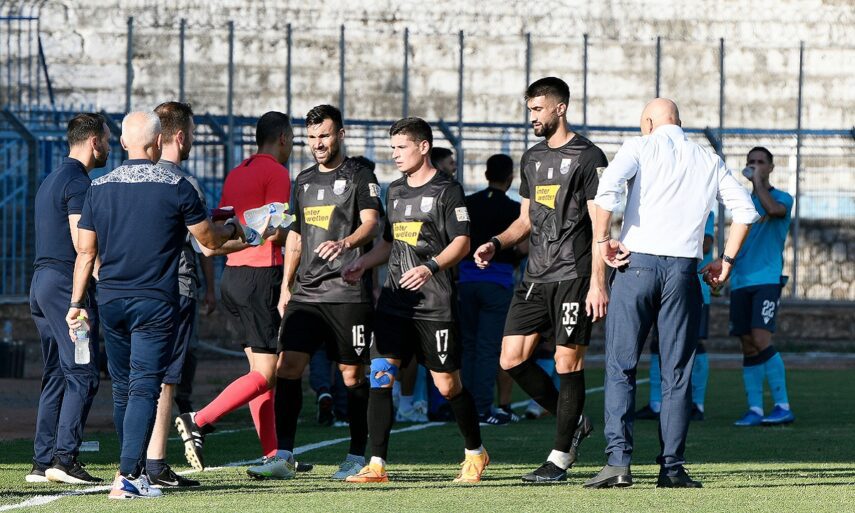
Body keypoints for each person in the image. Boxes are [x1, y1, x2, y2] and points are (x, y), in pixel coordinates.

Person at [66, 111, 243, 499]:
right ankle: (130, 474)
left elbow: (86, 252)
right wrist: (235, 229)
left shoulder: (99, 187)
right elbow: (209, 241)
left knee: (123, 389)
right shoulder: (176, 185)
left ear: (124, 143)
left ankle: (131, 470)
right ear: (158, 142)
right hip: (155, 301)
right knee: (146, 386)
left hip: (111, 300)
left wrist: (76, 302)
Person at [587, 98, 758, 489]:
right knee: (677, 373)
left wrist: (603, 240)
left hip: (636, 266)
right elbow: (746, 211)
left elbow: (606, 191)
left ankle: (618, 463)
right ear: (678, 121)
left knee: (621, 366)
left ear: (649, 122)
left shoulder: (639, 146)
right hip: (683, 272)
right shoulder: (708, 158)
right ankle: (672, 468)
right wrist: (726, 261)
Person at [473, 77, 608, 483]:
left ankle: (560, 457)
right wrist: (496, 243)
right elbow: (525, 220)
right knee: (511, 358)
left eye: (537, 109)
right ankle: (576, 420)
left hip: (573, 273)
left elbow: (601, 224)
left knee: (567, 361)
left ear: (559, 108)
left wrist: (598, 281)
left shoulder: (589, 156)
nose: (531, 116)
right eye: (529, 109)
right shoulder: (531, 158)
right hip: (535, 274)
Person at [341, 117, 488, 484]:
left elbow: (462, 242)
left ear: (423, 147)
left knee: (447, 385)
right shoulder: (393, 190)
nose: (395, 154)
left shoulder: (448, 190)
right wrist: (362, 262)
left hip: (434, 303)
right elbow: (389, 243)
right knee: (380, 374)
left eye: (401, 147)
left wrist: (430, 267)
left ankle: (476, 452)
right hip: (395, 301)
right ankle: (377, 464)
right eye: (392, 148)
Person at [247, 104, 381, 481]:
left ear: (340, 134)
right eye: (311, 137)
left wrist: (346, 243)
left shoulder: (360, 176)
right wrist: (286, 286)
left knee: (352, 376)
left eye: (324, 135)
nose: (317, 143)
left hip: (347, 293)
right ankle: (284, 455)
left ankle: (356, 456)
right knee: (287, 367)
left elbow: (371, 224)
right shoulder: (303, 180)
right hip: (307, 293)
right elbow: (295, 235)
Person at [175, 112, 292, 473]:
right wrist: (300, 234)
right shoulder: (277, 172)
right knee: (267, 372)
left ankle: (273, 455)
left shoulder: (237, 172)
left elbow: (224, 223)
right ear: (283, 138)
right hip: (262, 274)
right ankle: (199, 419)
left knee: (259, 371)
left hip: (234, 277)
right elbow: (275, 229)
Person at [27, 113, 111, 485]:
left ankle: (42, 461)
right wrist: (106, 281)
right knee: (82, 371)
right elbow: (83, 245)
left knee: (57, 373)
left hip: (41, 284)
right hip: (64, 287)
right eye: (107, 139)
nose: (109, 146)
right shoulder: (78, 182)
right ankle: (64, 459)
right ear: (94, 142)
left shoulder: (51, 179)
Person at [141, 101, 214, 488]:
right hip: (176, 287)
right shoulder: (184, 184)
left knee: (139, 375)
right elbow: (207, 244)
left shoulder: (128, 179)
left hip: (134, 287)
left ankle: (135, 459)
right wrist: (245, 234)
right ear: (180, 136)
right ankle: (155, 462)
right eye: (193, 134)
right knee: (168, 376)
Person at [730, 147, 796, 427]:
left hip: (766, 280)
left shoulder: (783, 198)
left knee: (760, 338)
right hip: (740, 281)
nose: (755, 165)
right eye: (751, 162)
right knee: (747, 345)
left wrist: (757, 182)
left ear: (771, 167)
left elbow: (773, 210)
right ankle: (755, 409)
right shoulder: (743, 202)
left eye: (761, 162)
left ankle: (783, 405)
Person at [458, 153, 524, 426]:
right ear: (510, 177)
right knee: (488, 348)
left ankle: (463, 406)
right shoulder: (513, 208)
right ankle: (482, 408)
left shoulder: (469, 203)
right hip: (497, 282)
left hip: (465, 280)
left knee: (468, 346)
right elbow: (523, 247)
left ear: (486, 175)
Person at [637, 212, 715, 422]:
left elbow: (706, 245)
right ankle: (656, 404)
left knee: (694, 343)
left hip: (694, 287)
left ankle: (696, 404)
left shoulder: (705, 209)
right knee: (657, 342)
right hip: (663, 284)